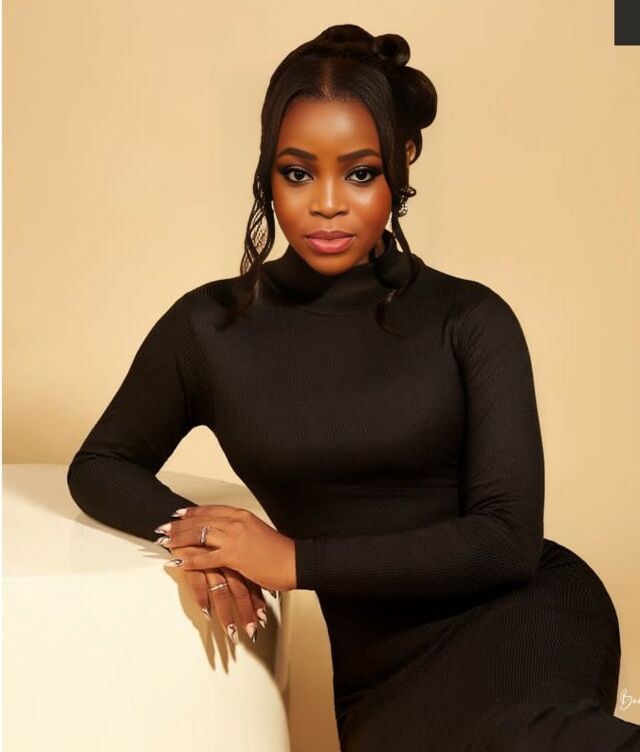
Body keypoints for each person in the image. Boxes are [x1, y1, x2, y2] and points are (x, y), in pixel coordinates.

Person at [67, 23, 640, 752]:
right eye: (298, 173)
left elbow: (506, 542)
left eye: (360, 173)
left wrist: (292, 559)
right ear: (268, 171)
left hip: (521, 620)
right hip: (379, 675)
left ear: (403, 160)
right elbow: (103, 463)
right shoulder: (209, 329)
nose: (328, 203)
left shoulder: (471, 319)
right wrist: (203, 540)